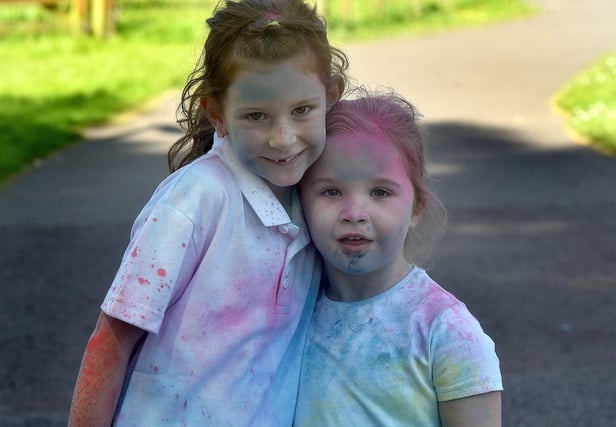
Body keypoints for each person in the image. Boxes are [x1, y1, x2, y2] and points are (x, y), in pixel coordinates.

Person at [68, 0, 347, 425]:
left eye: (302, 110)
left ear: (332, 96)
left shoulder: (317, 197)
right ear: (216, 112)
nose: (283, 138)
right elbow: (113, 339)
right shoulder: (195, 200)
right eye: (256, 116)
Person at [294, 88, 503, 426]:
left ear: (416, 206)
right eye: (330, 191)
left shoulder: (445, 331)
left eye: (380, 192)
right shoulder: (290, 310)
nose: (354, 213)